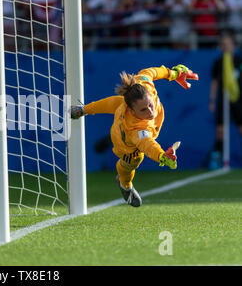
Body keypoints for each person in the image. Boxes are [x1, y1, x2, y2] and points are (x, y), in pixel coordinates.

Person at [70, 65, 199, 207]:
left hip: (124, 109)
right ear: (131, 110)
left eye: (150, 104)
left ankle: (83, 109)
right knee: (133, 161)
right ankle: (125, 185)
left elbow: (151, 72)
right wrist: (162, 156)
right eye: (144, 110)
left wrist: (173, 73)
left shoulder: (143, 84)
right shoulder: (136, 129)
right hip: (124, 142)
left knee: (119, 102)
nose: (150, 111)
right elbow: (148, 144)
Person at [209, 32, 242, 168]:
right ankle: (218, 157)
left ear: (233, 45)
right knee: (220, 129)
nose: (225, 47)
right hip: (223, 98)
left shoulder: (239, 61)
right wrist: (212, 100)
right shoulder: (218, 62)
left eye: (227, 44)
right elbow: (215, 82)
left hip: (238, 99)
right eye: (223, 44)